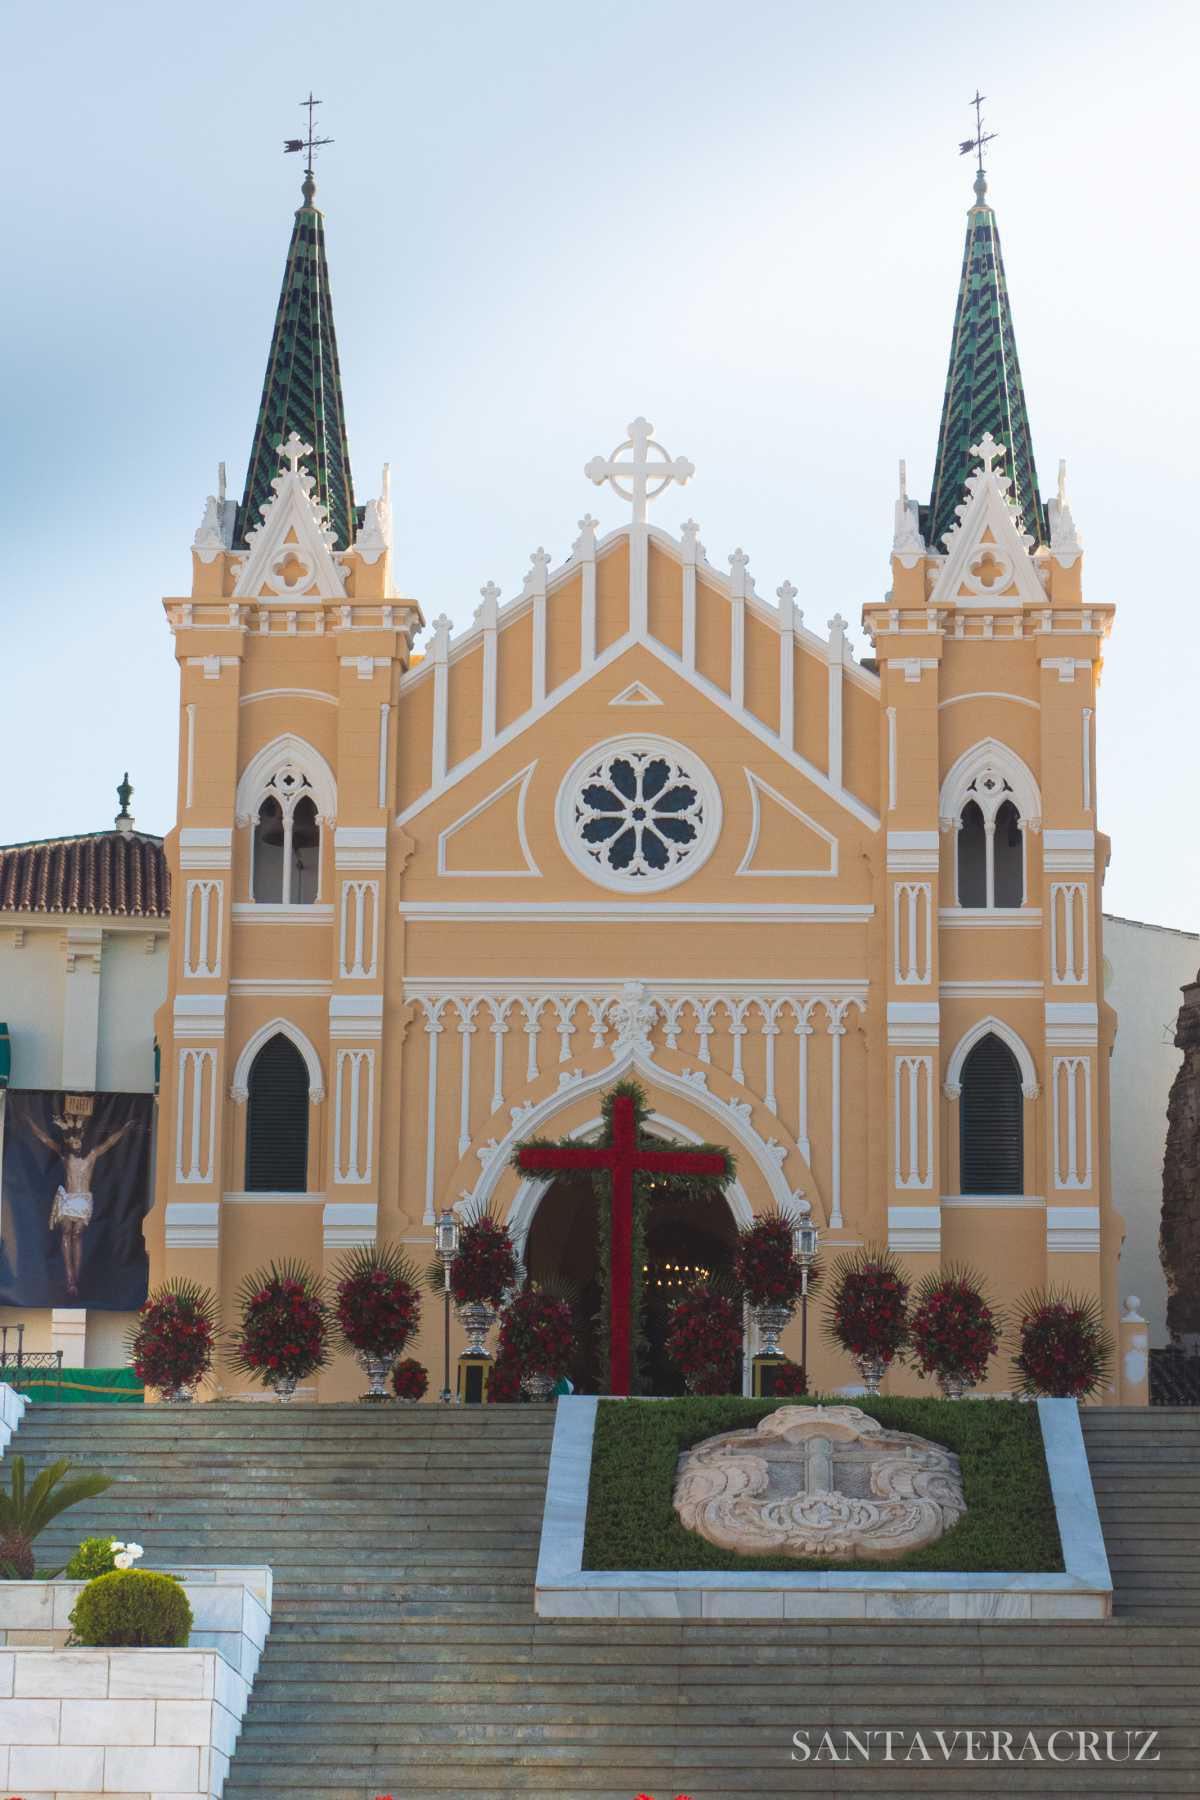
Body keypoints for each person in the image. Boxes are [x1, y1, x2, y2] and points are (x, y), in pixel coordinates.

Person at [16, 1108, 136, 1299]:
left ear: (82, 1142)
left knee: (77, 1235)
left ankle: (75, 1279)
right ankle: (69, 1277)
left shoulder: (91, 1156)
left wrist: (124, 1128)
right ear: (70, 1144)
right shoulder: (65, 1158)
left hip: (83, 1200)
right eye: (73, 1141)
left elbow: (110, 1142)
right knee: (66, 1233)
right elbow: (45, 1140)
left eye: (78, 1140)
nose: (76, 1143)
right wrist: (30, 1121)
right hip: (68, 1198)